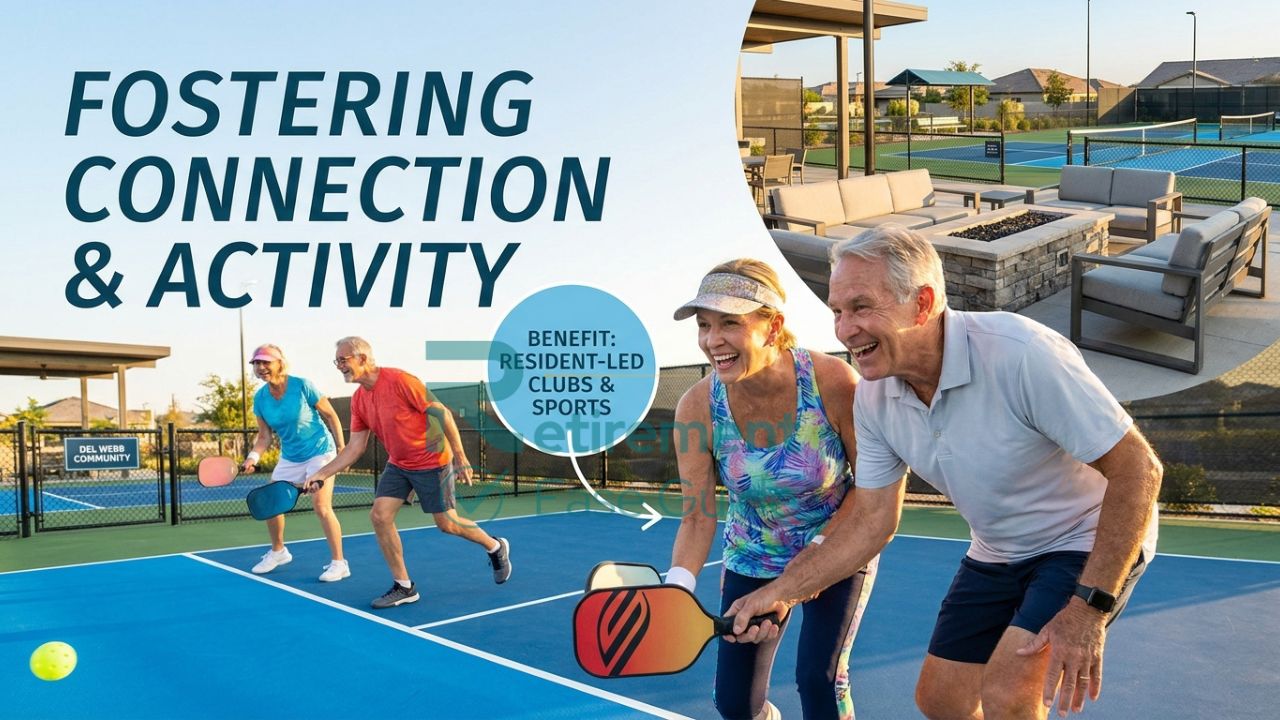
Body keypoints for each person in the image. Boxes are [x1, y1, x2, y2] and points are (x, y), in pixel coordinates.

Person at [727, 226, 1163, 720]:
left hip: (1083, 536)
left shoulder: (1020, 352)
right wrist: (779, 593)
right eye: (838, 312)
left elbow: (1138, 467)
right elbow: (871, 521)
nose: (844, 329)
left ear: (923, 303)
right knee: (943, 701)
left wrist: (1089, 608)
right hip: (999, 548)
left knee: (1007, 693)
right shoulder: (873, 398)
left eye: (862, 307)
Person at [669, 259, 877, 720]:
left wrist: (810, 565)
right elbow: (697, 515)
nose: (711, 340)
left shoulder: (834, 383)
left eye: (729, 323)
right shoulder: (695, 407)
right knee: (735, 705)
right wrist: (677, 586)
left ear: (773, 325)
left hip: (837, 549)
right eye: (704, 326)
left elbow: (870, 489)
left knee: (820, 681)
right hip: (752, 553)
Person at [304, 336, 511, 609]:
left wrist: (460, 456)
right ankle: (404, 586)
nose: (339, 366)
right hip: (399, 464)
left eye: (344, 360)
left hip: (432, 459)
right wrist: (322, 473)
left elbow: (442, 414)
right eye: (337, 361)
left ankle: (495, 546)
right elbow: (355, 447)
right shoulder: (358, 401)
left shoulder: (401, 380)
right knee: (379, 516)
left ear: (363, 358)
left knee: (447, 524)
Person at [241, 343, 349, 581]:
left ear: (280, 363)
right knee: (271, 501)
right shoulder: (260, 398)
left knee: (321, 506)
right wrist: (252, 457)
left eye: (265, 362)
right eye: (256, 363)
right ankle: (278, 551)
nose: (260, 368)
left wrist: (342, 450)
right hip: (291, 456)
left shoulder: (302, 386)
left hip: (320, 451)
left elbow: (330, 415)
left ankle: (339, 563)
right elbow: (264, 436)